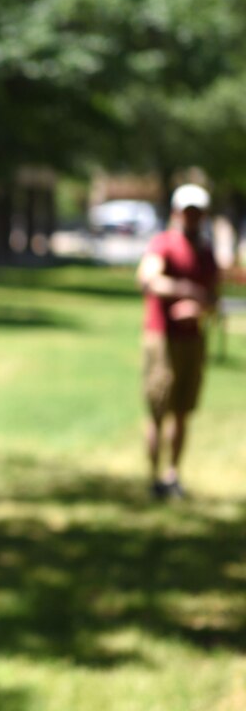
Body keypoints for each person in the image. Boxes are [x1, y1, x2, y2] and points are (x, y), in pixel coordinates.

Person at [136, 183, 220, 500]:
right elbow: (147, 279)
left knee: (183, 411)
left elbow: (214, 299)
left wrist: (200, 308)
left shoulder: (207, 253)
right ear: (176, 213)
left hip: (193, 341)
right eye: (188, 212)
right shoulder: (163, 245)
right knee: (157, 409)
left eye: (198, 212)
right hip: (162, 339)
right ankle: (153, 476)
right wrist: (186, 291)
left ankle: (173, 474)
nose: (193, 218)